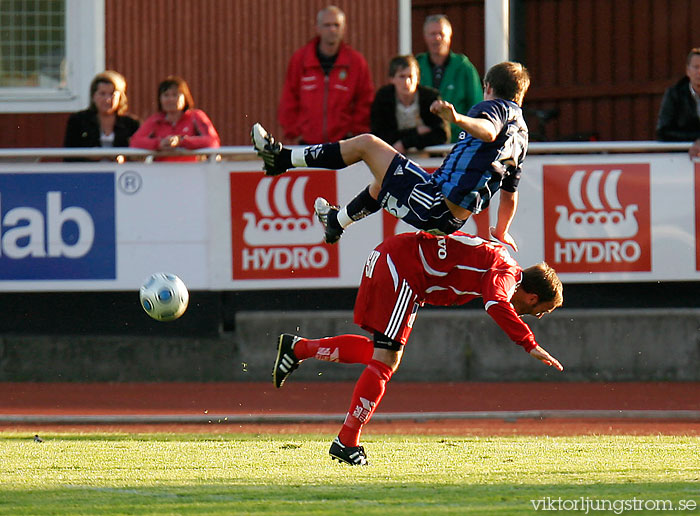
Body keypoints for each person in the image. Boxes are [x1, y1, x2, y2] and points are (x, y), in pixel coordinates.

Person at [271, 230, 564, 465]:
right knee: (385, 361)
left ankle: (299, 350)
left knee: (383, 353)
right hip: (404, 270)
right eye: (543, 310)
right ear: (533, 297)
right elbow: (495, 303)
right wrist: (529, 344)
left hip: (399, 264)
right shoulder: (508, 275)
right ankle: (347, 441)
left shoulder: (504, 263)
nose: (538, 316)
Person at [252, 61, 530, 251]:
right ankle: (337, 223)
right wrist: (502, 231)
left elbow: (488, 132)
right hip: (449, 217)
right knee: (383, 180)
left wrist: (457, 117)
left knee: (366, 144)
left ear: (488, 87)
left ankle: (281, 159)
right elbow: (510, 193)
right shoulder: (521, 136)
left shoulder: (495, 109)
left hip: (435, 202)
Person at [277, 5, 374, 144]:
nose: (332, 29)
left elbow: (365, 101)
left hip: (344, 145)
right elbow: (289, 98)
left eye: (336, 25)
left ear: (344, 28)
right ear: (317, 28)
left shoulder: (356, 63)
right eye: (327, 25)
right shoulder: (300, 60)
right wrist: (295, 131)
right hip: (307, 143)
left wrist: (355, 131)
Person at [416, 14, 483, 143]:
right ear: (425, 37)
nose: (437, 38)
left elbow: (477, 106)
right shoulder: (417, 66)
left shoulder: (464, 67)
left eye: (441, 33)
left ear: (450, 36)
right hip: (422, 144)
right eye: (432, 34)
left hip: (457, 143)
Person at [129, 75, 220, 162]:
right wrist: (159, 143)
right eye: (166, 95)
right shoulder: (155, 120)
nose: (170, 99)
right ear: (159, 99)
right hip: (161, 172)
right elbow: (135, 142)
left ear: (185, 97)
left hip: (192, 171)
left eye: (175, 95)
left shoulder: (195, 116)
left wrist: (181, 141)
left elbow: (212, 141)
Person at [371, 55, 449, 153]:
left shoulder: (430, 98)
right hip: (393, 157)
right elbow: (379, 136)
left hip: (429, 158)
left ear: (418, 78)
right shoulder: (383, 98)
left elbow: (442, 135)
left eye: (411, 76)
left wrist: (405, 143)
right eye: (402, 77)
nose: (407, 82)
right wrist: (416, 131)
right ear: (392, 79)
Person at [63, 70, 140, 161]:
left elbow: (140, 156)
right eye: (102, 94)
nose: (107, 99)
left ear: (120, 97)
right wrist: (88, 155)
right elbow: (68, 155)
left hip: (121, 173)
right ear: (93, 96)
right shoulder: (78, 121)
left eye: (112, 94)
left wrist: (122, 158)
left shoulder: (132, 124)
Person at [656, 48, 700, 158]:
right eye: (696, 67)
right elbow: (663, 132)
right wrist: (695, 141)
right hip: (681, 159)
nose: (699, 72)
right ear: (687, 71)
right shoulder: (674, 95)